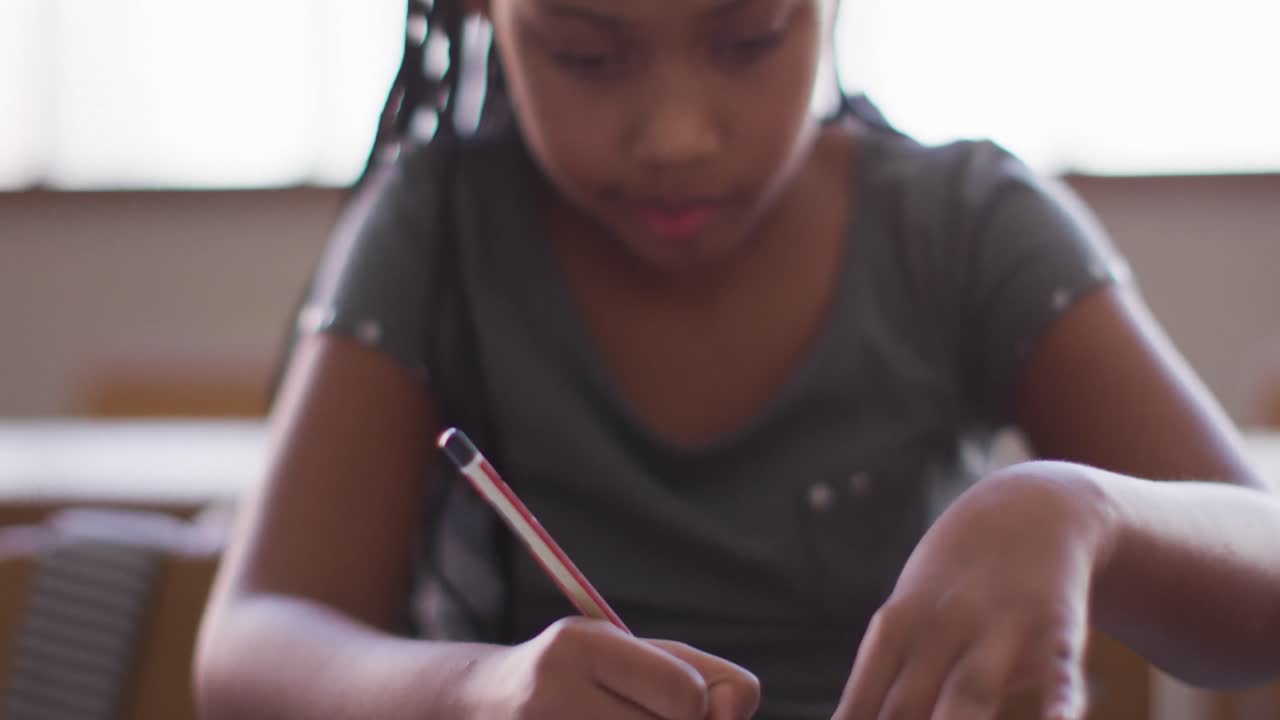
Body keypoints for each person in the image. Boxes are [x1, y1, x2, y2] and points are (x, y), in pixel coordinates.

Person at [193, 0, 1280, 718]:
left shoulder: (964, 227)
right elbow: (247, 646)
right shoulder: (437, 230)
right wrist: (474, 693)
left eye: (750, 37)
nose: (675, 135)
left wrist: (1084, 513)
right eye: (583, 54)